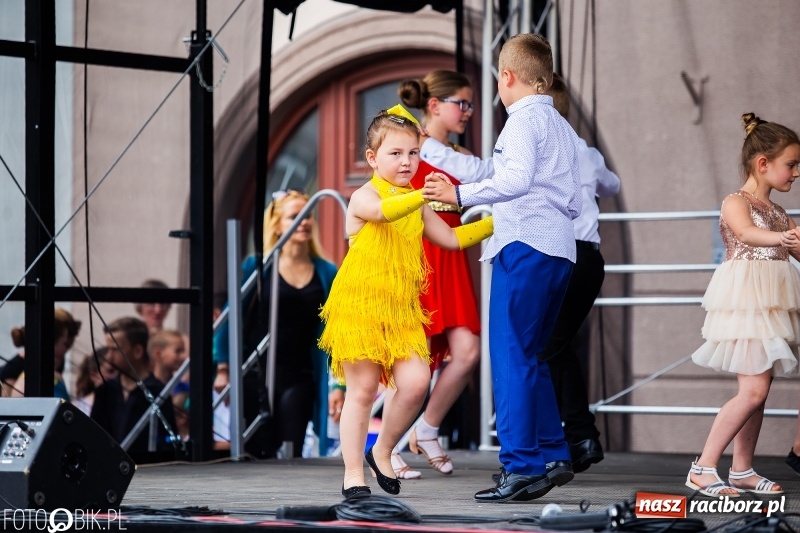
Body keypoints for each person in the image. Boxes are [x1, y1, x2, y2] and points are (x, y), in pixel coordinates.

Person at [423, 33, 581, 503]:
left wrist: (458, 196)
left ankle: (523, 466)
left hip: (525, 245)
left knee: (511, 356)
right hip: (558, 248)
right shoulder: (564, 128)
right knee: (532, 355)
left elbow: (512, 179)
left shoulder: (520, 121)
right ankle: (552, 454)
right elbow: (566, 192)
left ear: (506, 77)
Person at [318, 105, 493, 498]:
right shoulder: (364, 196)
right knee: (361, 392)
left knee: (415, 383)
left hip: (402, 311)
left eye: (413, 153)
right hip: (361, 307)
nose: (407, 161)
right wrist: (421, 196)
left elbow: (452, 239)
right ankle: (352, 476)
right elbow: (384, 211)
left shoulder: (416, 202)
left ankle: (382, 450)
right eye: (395, 154)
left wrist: (500, 222)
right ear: (372, 158)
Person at [377, 70, 494, 479]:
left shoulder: (455, 152)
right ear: (433, 105)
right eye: (461, 104)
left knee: (467, 353)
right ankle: (385, 449)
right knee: (412, 358)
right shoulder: (412, 146)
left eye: (471, 105)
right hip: (417, 255)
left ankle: (426, 429)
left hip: (451, 254)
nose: (468, 112)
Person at [685, 113, 800, 497]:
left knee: (760, 388)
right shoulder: (736, 202)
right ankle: (702, 467)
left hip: (771, 304)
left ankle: (742, 468)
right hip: (748, 301)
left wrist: (793, 243)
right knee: (751, 390)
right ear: (763, 164)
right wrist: (784, 238)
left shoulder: (780, 213)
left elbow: (787, 249)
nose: (796, 173)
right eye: (792, 165)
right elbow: (746, 233)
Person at [213, 190, 338, 458]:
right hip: (256, 372)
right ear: (278, 225)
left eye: (308, 216)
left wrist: (338, 382)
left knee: (293, 448)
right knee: (257, 449)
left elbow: (339, 327)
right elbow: (229, 316)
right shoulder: (257, 266)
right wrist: (223, 367)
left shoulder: (326, 271)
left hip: (302, 372)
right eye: (296, 216)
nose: (304, 222)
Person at [536, 73, 620, 473]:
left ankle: (561, 442)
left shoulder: (538, 150)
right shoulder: (586, 151)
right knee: (557, 346)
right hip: (590, 259)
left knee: (546, 347)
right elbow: (613, 185)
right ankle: (580, 438)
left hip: (561, 256)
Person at [91, 317, 178, 459]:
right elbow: (94, 436)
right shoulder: (105, 390)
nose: (109, 357)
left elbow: (167, 442)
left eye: (115, 350)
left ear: (138, 351)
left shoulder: (157, 391)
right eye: (108, 349)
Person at [1, 307, 82, 400]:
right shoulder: (14, 368)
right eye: (66, 345)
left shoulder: (59, 363)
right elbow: (8, 402)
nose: (66, 351)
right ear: (49, 342)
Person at [149, 329, 189, 440]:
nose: (183, 356)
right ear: (158, 353)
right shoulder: (146, 389)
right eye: (178, 351)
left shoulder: (187, 389)